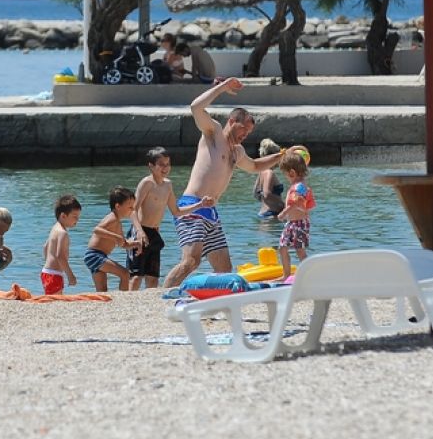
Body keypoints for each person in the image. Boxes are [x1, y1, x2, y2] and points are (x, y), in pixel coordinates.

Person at [162, 78, 287, 288]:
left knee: (224, 269)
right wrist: (223, 87)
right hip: (193, 206)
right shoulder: (214, 134)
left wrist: (281, 155)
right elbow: (195, 107)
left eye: (248, 133)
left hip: (211, 211)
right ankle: (163, 295)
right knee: (190, 262)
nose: (245, 136)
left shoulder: (237, 152)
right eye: (243, 130)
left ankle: (213, 303)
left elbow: (255, 166)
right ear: (232, 121)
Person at [127, 147, 214, 290]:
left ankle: (149, 305)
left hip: (154, 234)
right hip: (140, 232)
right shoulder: (147, 183)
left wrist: (200, 204)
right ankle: (128, 304)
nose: (165, 168)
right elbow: (133, 210)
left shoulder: (168, 185)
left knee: (153, 278)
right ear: (151, 166)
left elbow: (176, 211)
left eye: (168, 164)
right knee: (136, 276)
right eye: (161, 164)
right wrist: (139, 231)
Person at [83, 186, 138, 292]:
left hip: (95, 256)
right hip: (94, 255)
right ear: (118, 206)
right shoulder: (112, 218)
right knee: (125, 274)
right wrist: (115, 236)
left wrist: (136, 244)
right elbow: (97, 230)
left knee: (102, 291)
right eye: (130, 207)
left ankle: (103, 306)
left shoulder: (118, 223)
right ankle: (124, 299)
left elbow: (123, 244)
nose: (132, 210)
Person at [276, 148, 315, 280]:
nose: (285, 177)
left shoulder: (300, 187)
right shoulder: (298, 186)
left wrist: (283, 213)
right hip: (291, 223)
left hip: (300, 224)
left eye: (285, 174)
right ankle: (286, 274)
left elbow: (295, 204)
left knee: (300, 249)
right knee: (282, 247)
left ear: (292, 173)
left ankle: (310, 275)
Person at [40, 195, 82, 295]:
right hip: (54, 274)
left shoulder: (54, 229)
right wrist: (70, 275)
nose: (77, 220)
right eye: (75, 217)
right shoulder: (63, 233)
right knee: (56, 302)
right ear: (63, 216)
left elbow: (45, 247)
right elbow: (60, 256)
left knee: (51, 300)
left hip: (46, 272)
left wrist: (48, 264)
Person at [252, 138, 285, 218]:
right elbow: (267, 194)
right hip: (271, 214)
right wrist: (285, 205)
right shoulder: (269, 172)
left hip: (264, 213)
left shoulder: (261, 171)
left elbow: (256, 194)